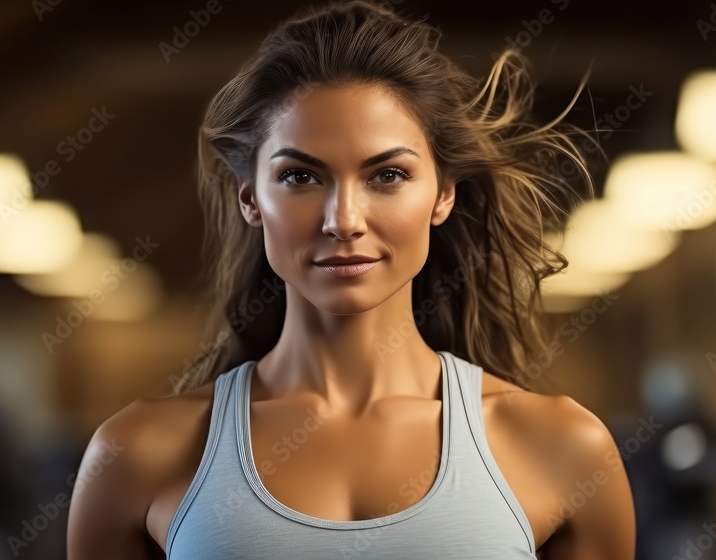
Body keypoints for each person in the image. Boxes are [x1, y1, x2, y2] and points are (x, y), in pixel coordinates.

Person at [67, 1, 636, 558]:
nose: (344, 220)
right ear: (251, 199)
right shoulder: (137, 454)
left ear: (443, 193)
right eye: (299, 176)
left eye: (387, 175)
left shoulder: (563, 449)